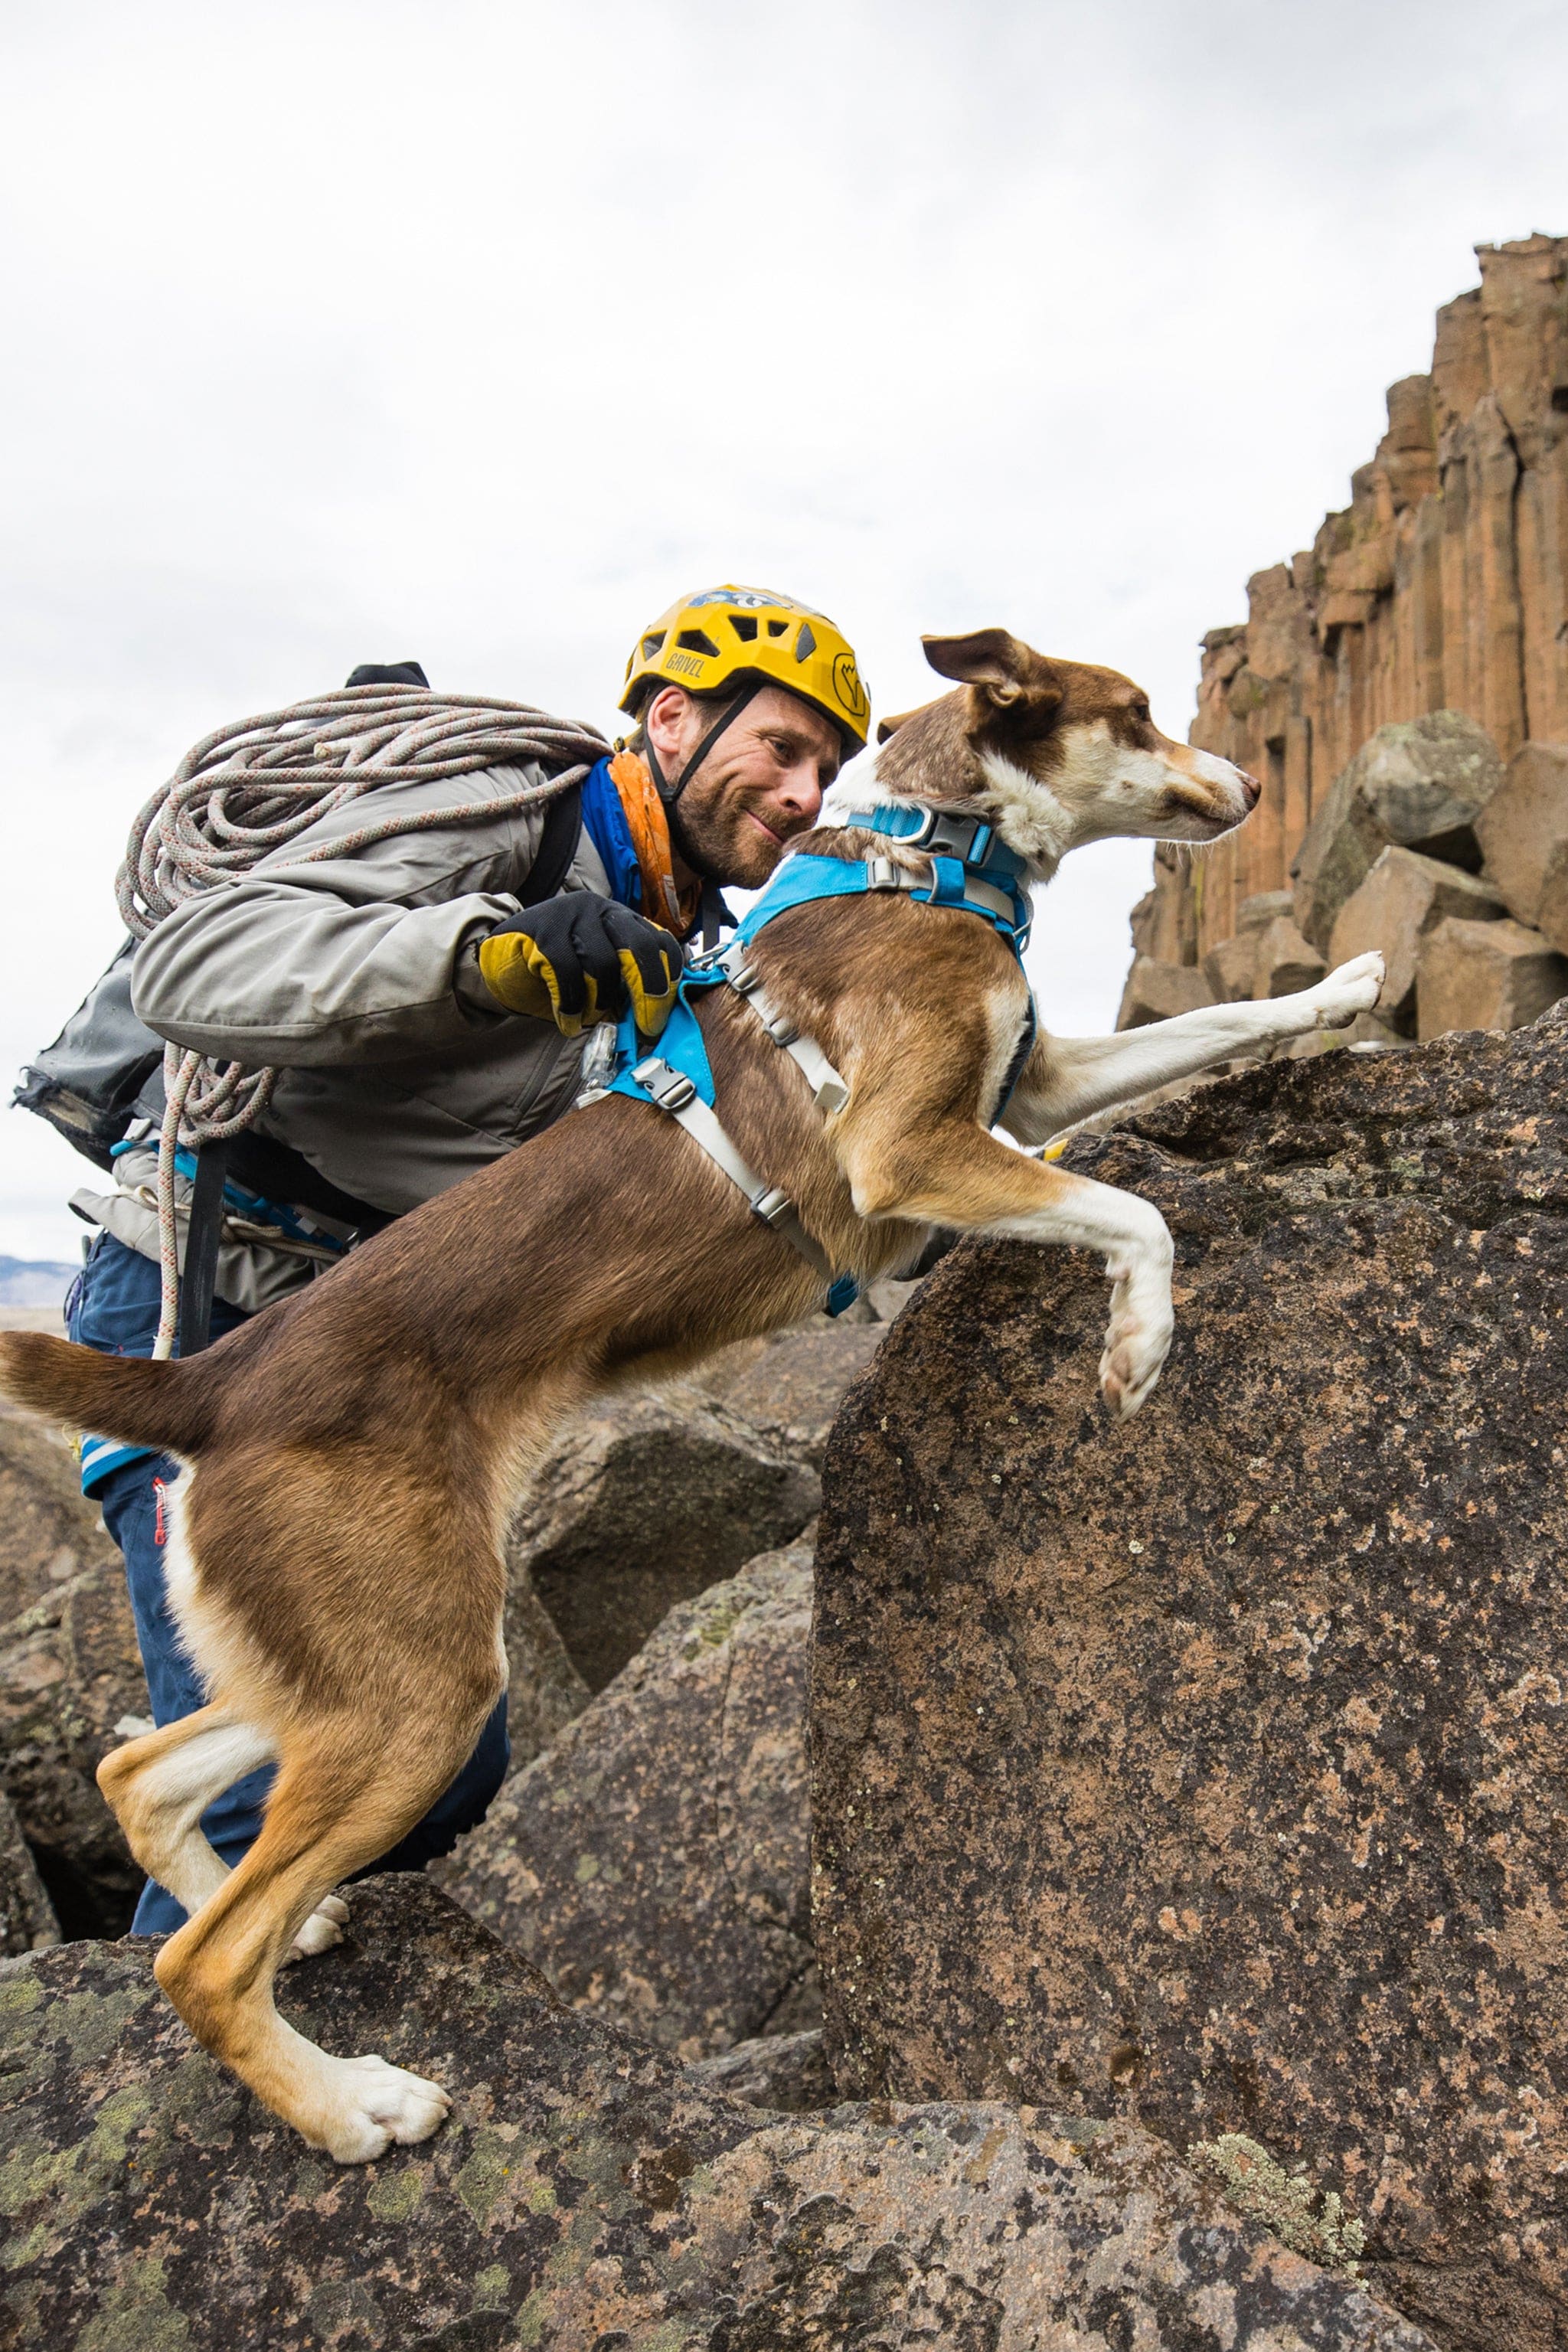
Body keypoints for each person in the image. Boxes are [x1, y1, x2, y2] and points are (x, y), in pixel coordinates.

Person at [42, 587, 871, 1929]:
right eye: (779, 746)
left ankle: (226, 1942)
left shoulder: (686, 950)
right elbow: (195, 965)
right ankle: (174, 2085)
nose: (801, 790)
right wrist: (483, 955)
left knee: (444, 1759)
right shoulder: (501, 809)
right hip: (199, 1308)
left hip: (368, 1351)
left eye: (826, 770)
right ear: (671, 718)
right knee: (300, 1778)